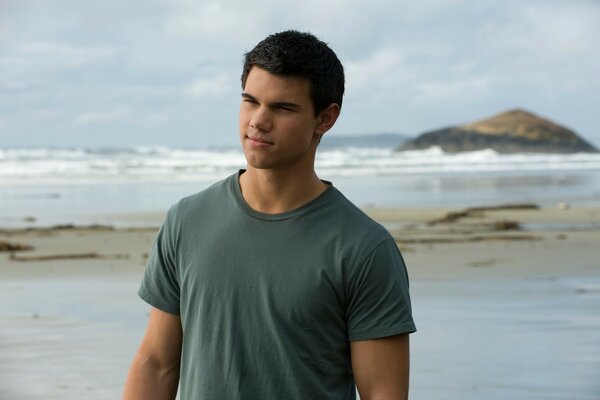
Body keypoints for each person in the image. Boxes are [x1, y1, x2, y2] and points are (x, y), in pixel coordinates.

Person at [123, 30, 416, 400]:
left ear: (325, 119)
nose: (258, 122)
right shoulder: (186, 221)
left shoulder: (364, 248)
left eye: (282, 108)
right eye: (250, 101)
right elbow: (155, 363)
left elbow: (383, 394)